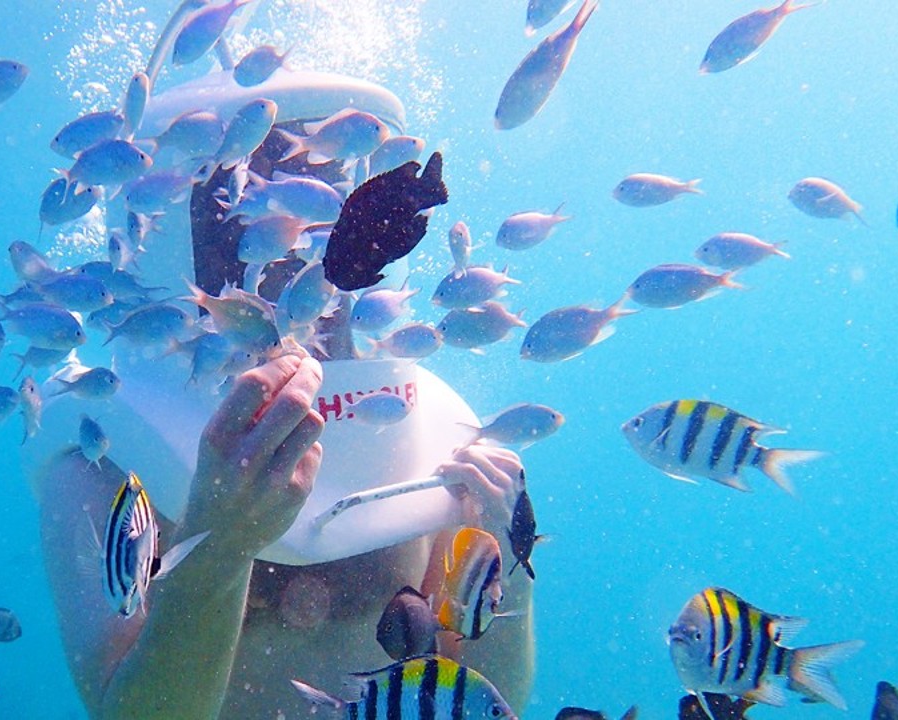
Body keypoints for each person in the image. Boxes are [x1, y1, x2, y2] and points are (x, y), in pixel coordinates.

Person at [28, 59, 533, 719]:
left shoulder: (418, 434)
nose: (286, 249)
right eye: (245, 213)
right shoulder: (99, 455)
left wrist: (510, 555)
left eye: (317, 206)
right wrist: (222, 539)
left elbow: (489, 698)